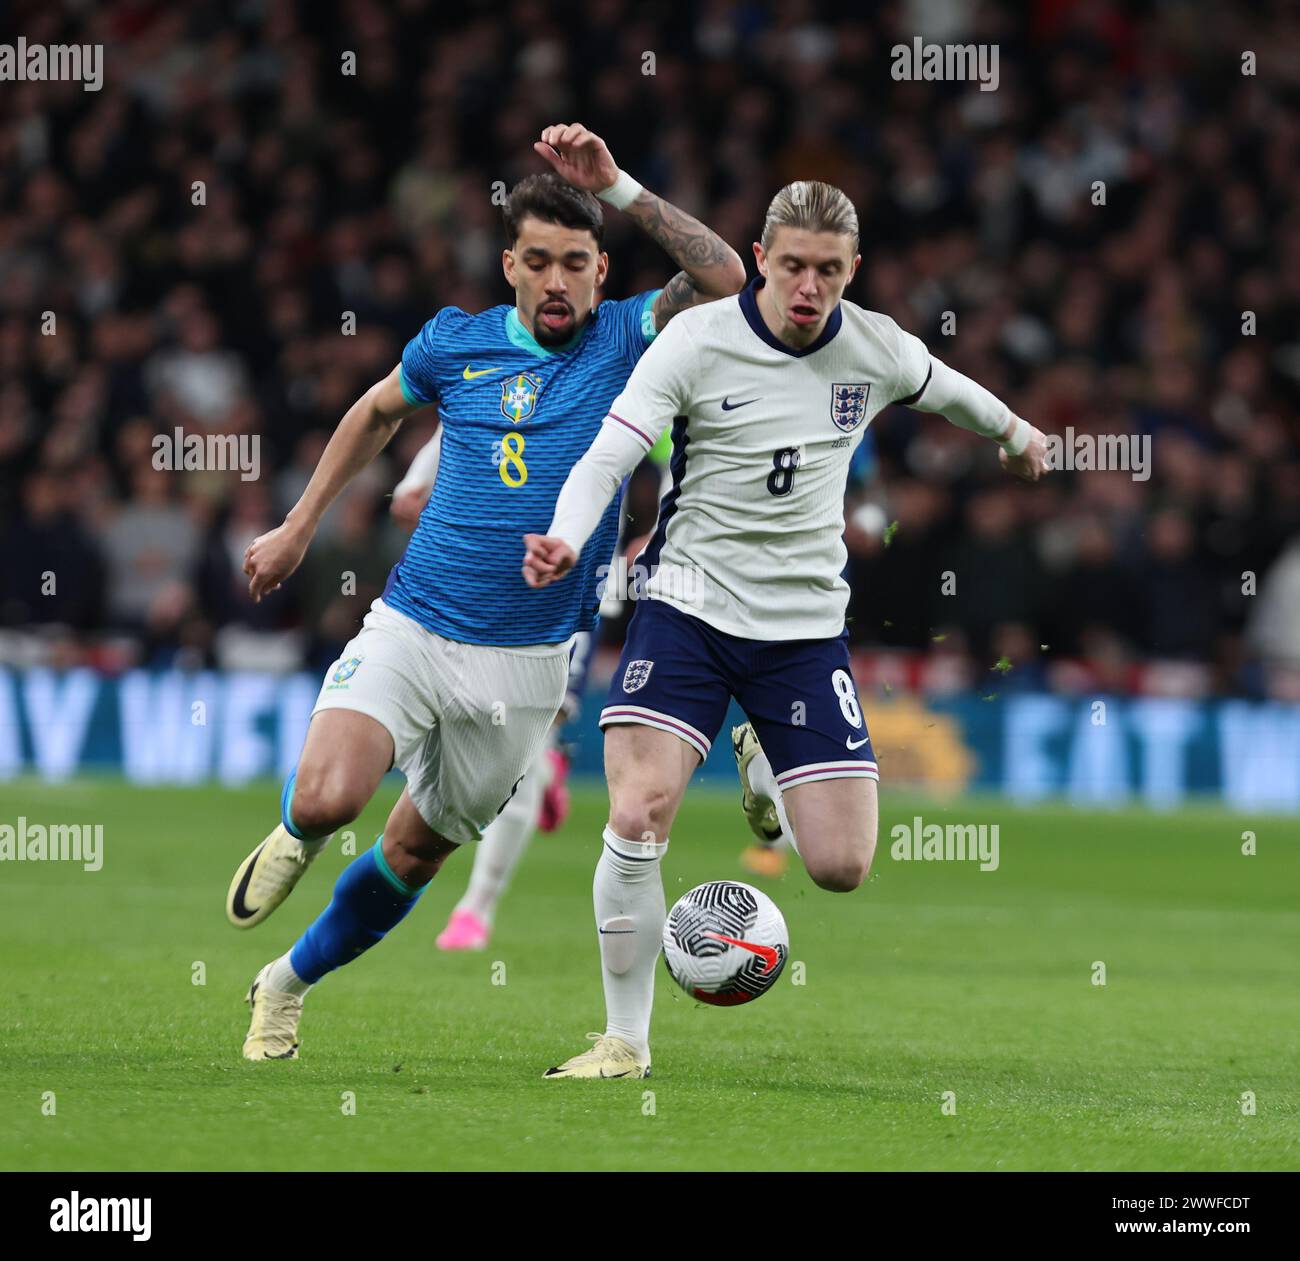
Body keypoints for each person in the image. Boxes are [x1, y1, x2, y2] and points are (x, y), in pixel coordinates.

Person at [227, 124, 745, 1060]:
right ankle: (296, 833)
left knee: (416, 854)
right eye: (538, 261)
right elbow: (377, 409)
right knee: (331, 794)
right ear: (510, 265)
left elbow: (725, 282)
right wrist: (300, 525)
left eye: (575, 264)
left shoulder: (630, 336)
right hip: (416, 625)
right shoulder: (454, 344)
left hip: (527, 668)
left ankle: (284, 983)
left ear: (598, 272)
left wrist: (621, 185)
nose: (557, 281)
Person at [523, 181, 1049, 1079]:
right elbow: (610, 452)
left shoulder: (874, 347)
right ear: (761, 259)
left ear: (854, 271)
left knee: (841, 865)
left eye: (830, 271)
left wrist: (1016, 431)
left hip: (803, 631)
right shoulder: (697, 339)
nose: (810, 287)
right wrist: (568, 538)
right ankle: (625, 1039)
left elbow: (947, 388)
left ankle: (763, 757)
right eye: (794, 265)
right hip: (684, 606)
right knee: (639, 808)